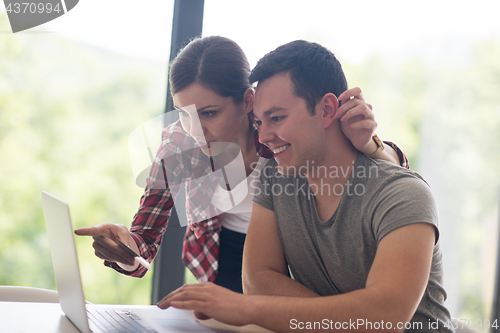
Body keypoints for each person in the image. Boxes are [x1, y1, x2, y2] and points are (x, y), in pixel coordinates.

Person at [157, 40, 453, 333]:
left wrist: (245, 308)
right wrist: (348, 317)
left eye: (277, 118)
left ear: (326, 109)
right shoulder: (275, 176)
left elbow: (382, 317)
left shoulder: (403, 195)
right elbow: (258, 281)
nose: (263, 137)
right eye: (259, 123)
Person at [75, 36, 408, 295]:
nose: (194, 130)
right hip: (218, 261)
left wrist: (370, 144)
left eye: (208, 113)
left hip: (292, 266)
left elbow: (389, 173)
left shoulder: (281, 135)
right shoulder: (179, 147)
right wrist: (126, 252)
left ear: (247, 101)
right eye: (183, 114)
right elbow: (143, 247)